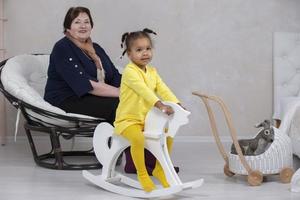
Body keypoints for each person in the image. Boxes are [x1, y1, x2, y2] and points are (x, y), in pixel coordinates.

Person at [114, 28, 183, 192]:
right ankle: (142, 174)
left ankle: (159, 169)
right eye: (139, 50)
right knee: (137, 139)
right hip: (128, 120)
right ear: (129, 54)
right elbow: (144, 91)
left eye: (148, 49)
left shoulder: (152, 72)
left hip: (145, 120)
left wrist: (176, 103)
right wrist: (160, 105)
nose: (145, 53)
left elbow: (163, 88)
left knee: (168, 134)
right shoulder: (130, 72)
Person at [44, 6, 121, 124]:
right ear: (68, 28)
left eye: (87, 22)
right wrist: (120, 93)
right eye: (77, 22)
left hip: (88, 97)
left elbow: (114, 75)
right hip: (66, 98)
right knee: (119, 106)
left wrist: (133, 88)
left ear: (91, 26)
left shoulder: (96, 49)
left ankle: (136, 140)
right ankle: (119, 141)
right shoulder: (62, 48)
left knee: (136, 101)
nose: (83, 26)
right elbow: (84, 83)